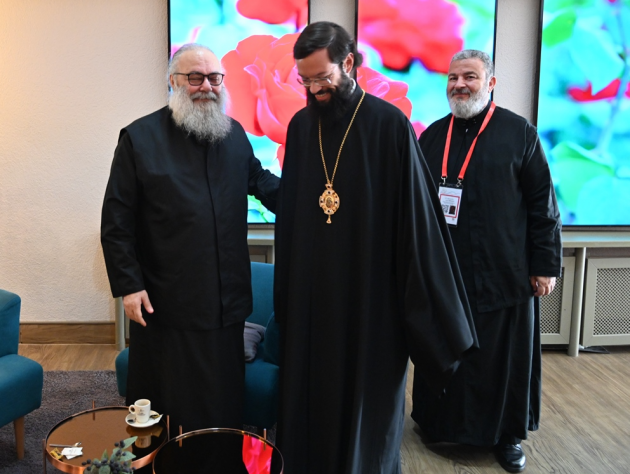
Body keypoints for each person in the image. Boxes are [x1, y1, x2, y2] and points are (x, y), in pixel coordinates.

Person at [273, 22, 477, 474]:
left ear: (348, 63)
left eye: (322, 78)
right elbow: (291, 216)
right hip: (312, 303)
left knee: (366, 410)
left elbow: (417, 225)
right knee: (309, 404)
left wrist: (430, 315)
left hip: (371, 303)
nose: (314, 89)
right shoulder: (302, 127)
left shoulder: (389, 126)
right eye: (305, 80)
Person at [100, 43, 279, 435]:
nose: (206, 86)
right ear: (173, 81)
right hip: (168, 302)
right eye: (195, 77)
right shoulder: (139, 138)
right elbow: (116, 222)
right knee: (171, 400)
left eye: (214, 77)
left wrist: (315, 198)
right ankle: (167, 459)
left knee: (222, 399)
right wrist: (129, 285)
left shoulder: (234, 135)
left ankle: (221, 456)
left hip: (226, 302)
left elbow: (263, 183)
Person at [411, 49, 562, 473]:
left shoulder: (519, 134)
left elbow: (542, 204)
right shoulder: (432, 136)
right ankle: (439, 424)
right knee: (447, 352)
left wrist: (545, 265)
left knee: (501, 361)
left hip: (504, 274)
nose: (459, 85)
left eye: (470, 77)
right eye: (453, 78)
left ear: (490, 83)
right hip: (446, 274)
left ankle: (506, 437)